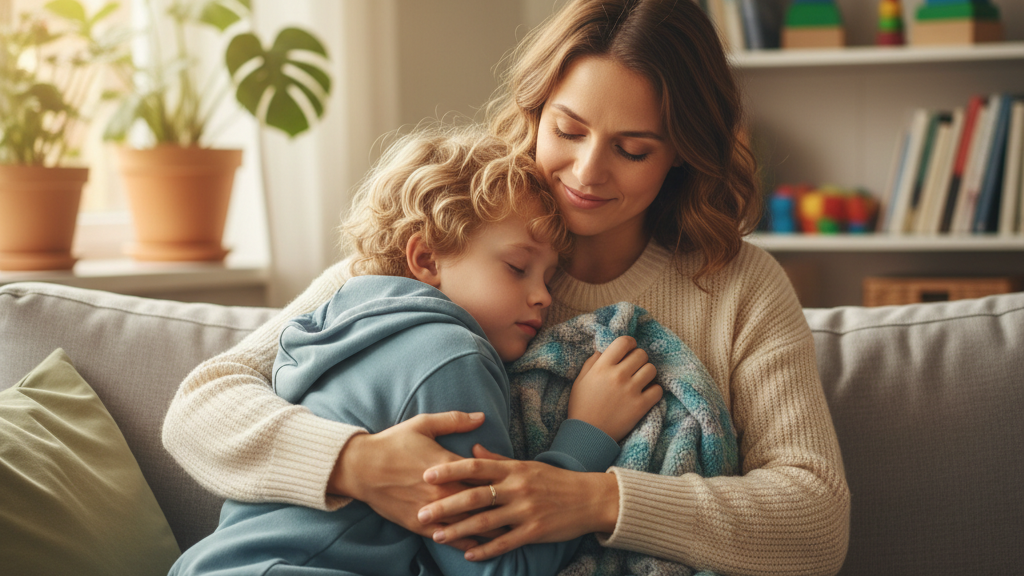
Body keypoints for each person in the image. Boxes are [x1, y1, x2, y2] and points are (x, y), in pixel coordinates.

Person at [163, 1, 851, 574]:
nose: (587, 171)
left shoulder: (737, 287)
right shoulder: (444, 247)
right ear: (536, 109)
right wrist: (360, 464)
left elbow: (816, 521)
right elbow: (200, 409)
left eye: (633, 148)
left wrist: (592, 500)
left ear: (682, 153)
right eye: (569, 129)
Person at [169, 126, 662, 575]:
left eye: (550, 277)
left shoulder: (339, 325)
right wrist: (586, 437)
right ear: (426, 257)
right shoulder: (450, 357)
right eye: (517, 267)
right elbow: (497, 566)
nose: (544, 297)